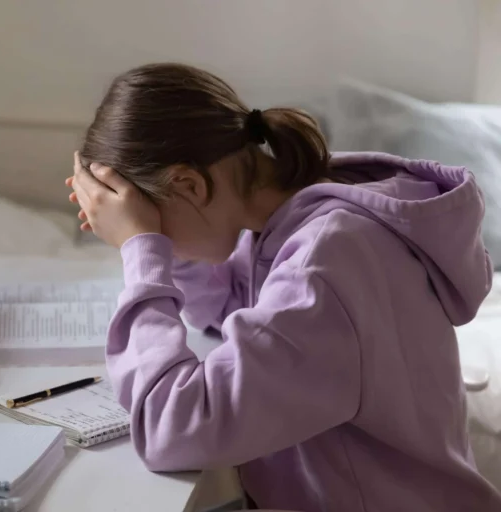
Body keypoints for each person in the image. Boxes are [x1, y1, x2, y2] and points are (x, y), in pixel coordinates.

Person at [65, 63, 501, 512]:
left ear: (188, 184)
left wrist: (141, 251)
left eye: (154, 219)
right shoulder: (294, 217)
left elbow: (173, 428)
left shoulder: (325, 266)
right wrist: (155, 241)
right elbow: (228, 307)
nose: (156, 237)